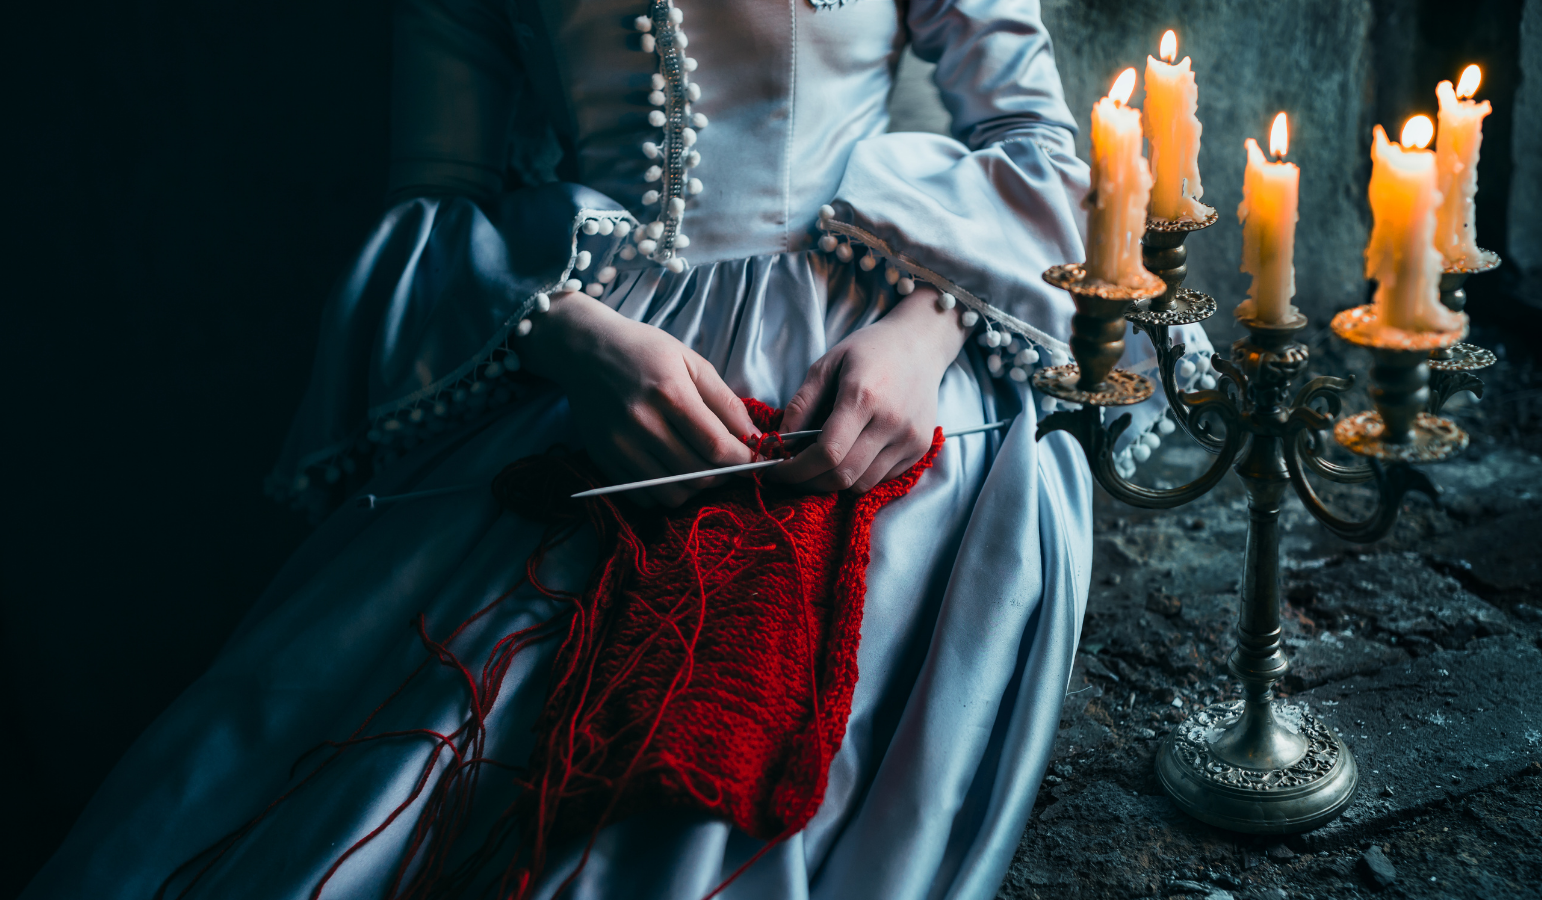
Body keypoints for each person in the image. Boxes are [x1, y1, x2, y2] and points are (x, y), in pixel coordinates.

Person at [23, 0, 1210, 897]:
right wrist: (567, 339)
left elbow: (1039, 141)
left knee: (727, 744)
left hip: (860, 353)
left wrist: (926, 329)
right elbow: (433, 201)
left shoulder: (907, 339)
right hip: (589, 352)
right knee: (406, 752)